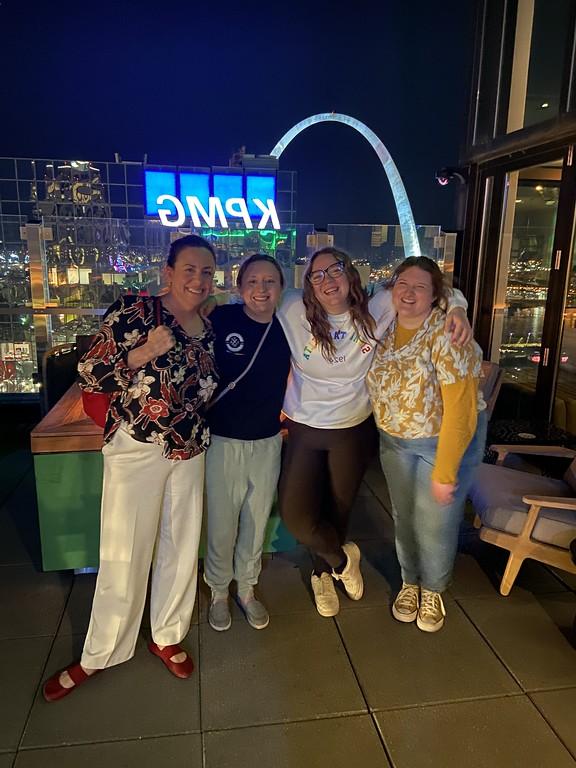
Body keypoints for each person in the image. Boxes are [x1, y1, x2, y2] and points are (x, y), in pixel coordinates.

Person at [43, 234, 218, 701]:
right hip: (138, 446)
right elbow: (89, 376)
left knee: (181, 546)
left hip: (190, 450)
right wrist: (142, 352)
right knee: (125, 549)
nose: (198, 279)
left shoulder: (208, 326)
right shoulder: (136, 311)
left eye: (206, 272)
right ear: (168, 272)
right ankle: (100, 653)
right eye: (189, 269)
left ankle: (167, 634)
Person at [277, 247, 471, 618]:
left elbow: (431, 286)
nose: (327, 281)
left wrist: (458, 307)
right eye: (317, 275)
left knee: (338, 509)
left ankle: (322, 576)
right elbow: (254, 297)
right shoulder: (293, 309)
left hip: (352, 429)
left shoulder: (378, 306)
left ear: (350, 274)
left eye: (334, 270)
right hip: (304, 426)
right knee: (297, 515)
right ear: (309, 285)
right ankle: (341, 560)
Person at [366, 256, 487, 633]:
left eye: (420, 286)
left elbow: (462, 410)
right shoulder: (384, 326)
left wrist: (446, 471)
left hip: (440, 443)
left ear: (437, 295)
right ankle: (410, 580)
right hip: (394, 440)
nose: (409, 292)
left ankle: (433, 588)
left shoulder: (448, 333)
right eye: (403, 283)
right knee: (404, 515)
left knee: (435, 522)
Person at [203, 254, 290, 632]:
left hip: (268, 441)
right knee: (222, 522)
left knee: (256, 521)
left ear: (281, 288)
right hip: (223, 440)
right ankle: (219, 591)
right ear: (239, 288)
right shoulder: (223, 318)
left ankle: (247, 589)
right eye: (252, 281)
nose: (261, 289)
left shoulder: (289, 324)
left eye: (269, 281)